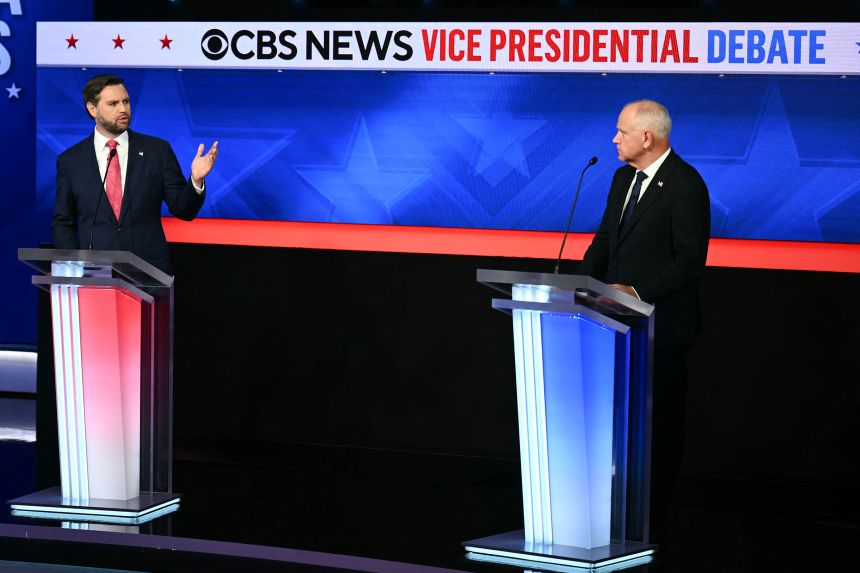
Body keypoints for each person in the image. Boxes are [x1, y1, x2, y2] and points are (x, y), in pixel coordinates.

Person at [578, 99, 711, 543]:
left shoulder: (685, 185)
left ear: (647, 138)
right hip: (615, 326)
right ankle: (615, 512)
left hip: (663, 330)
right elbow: (605, 240)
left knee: (659, 427)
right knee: (616, 426)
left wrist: (638, 292)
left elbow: (689, 261)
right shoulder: (621, 178)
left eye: (621, 131)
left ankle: (653, 520)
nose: (615, 139)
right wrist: (577, 286)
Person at [52, 74, 218, 274]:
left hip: (149, 272)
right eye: (113, 104)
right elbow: (63, 222)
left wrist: (196, 180)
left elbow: (183, 210)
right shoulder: (71, 160)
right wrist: (73, 267)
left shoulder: (157, 151)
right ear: (92, 109)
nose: (123, 109)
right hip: (96, 274)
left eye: (126, 101)